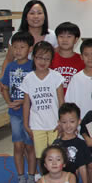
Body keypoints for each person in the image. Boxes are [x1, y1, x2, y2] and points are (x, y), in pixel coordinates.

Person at [21, 41, 64, 169]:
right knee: (40, 155)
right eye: (39, 57)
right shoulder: (28, 79)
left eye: (47, 59)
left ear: (51, 60)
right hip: (37, 124)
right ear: (33, 58)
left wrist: (62, 122)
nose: (42, 61)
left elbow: (61, 101)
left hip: (55, 124)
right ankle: (43, 177)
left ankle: (56, 177)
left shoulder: (56, 77)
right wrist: (26, 124)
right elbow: (26, 104)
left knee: (56, 154)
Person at [1, 32, 35, 183]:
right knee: (18, 146)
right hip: (15, 114)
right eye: (15, 47)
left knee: (30, 147)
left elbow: (36, 90)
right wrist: (9, 102)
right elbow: (4, 87)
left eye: (22, 47)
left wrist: (24, 101)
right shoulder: (10, 66)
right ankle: (21, 177)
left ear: (30, 49)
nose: (18, 50)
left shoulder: (33, 66)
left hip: (30, 113)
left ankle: (32, 176)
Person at [0, 0, 57, 77]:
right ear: (26, 17)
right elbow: (8, 60)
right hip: (20, 80)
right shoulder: (17, 36)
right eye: (32, 13)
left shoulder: (53, 36)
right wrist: (3, 79)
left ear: (45, 16)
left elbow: (57, 61)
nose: (36, 16)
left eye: (39, 13)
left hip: (45, 79)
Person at [53, 103, 92, 183]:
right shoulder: (56, 144)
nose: (68, 125)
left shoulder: (80, 144)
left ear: (79, 122)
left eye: (72, 122)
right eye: (64, 122)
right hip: (55, 180)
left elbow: (83, 169)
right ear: (59, 123)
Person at [50, 22, 84, 93]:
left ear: (76, 39)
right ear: (57, 38)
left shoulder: (82, 60)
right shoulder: (49, 59)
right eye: (61, 36)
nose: (65, 40)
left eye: (69, 36)